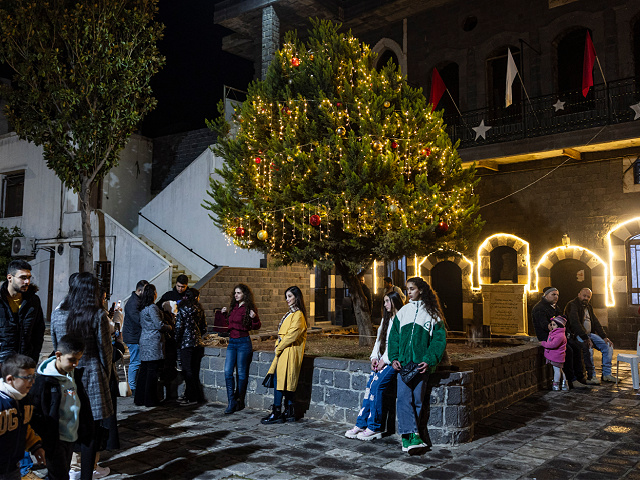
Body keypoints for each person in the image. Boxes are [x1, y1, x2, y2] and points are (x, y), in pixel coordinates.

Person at [50, 272, 113, 480]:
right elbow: (105, 350)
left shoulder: (58, 313)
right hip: (92, 375)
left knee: (67, 430)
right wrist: (107, 375)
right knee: (91, 432)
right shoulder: (98, 315)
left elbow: (55, 345)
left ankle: (63, 473)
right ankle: (86, 475)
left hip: (66, 376)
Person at [388, 276, 446, 453]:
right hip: (404, 365)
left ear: (420, 290)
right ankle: (411, 437)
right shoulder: (403, 312)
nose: (408, 292)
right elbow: (393, 337)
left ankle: (410, 438)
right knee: (404, 399)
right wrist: (394, 357)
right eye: (407, 289)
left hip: (421, 365)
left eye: (411, 289)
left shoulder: (433, 314)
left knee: (418, 400)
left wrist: (429, 360)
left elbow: (438, 340)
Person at [31, 335, 93, 480]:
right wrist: (44, 437)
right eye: (72, 359)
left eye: (78, 359)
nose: (76, 364)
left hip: (71, 435)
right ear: (58, 355)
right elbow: (36, 412)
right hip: (54, 438)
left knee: (62, 472)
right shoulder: (44, 380)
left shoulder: (73, 374)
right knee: (59, 475)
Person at [345, 290, 404, 441]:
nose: (385, 305)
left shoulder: (401, 319)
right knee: (370, 388)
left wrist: (385, 359)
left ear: (395, 301)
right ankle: (361, 423)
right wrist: (374, 358)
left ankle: (375, 426)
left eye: (387, 301)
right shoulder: (386, 320)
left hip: (392, 361)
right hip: (382, 361)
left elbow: (397, 344)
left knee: (377, 387)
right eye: (384, 302)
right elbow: (379, 341)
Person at [261, 286, 307, 425]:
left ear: (296, 297)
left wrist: (279, 346)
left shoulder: (298, 315)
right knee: (283, 382)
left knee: (280, 382)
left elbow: (292, 335)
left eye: (290, 296)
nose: (287, 299)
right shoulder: (291, 314)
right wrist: (278, 345)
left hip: (289, 352)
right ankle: (289, 411)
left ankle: (277, 412)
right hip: (284, 351)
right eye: (286, 297)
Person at [215, 284, 261, 414]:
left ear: (244, 294)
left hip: (243, 342)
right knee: (227, 371)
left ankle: (239, 400)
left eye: (239, 293)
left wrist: (254, 318)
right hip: (232, 342)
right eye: (235, 292)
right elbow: (228, 325)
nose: (236, 295)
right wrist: (224, 315)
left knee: (241, 373)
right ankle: (231, 401)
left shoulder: (249, 308)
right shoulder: (234, 307)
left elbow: (256, 326)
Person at [531, 286, 587, 389]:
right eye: (553, 294)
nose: (556, 297)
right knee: (568, 351)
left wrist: (567, 334)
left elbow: (563, 322)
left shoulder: (555, 307)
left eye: (557, 295)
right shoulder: (540, 308)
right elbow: (545, 325)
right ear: (546, 295)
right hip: (549, 337)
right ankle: (571, 379)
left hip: (559, 335)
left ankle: (579, 376)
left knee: (576, 347)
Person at [0, 353, 45, 480]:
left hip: (13, 466)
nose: (33, 381)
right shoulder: (1, 403)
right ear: (10, 379)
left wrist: (35, 446)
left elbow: (23, 427)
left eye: (33, 376)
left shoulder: (25, 399)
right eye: (27, 378)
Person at [564, 288, 616, 384]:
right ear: (579, 294)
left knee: (608, 346)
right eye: (584, 296)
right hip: (577, 335)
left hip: (589, 334)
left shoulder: (589, 307)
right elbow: (575, 323)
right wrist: (585, 338)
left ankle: (606, 374)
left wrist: (604, 336)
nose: (586, 298)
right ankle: (591, 376)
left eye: (588, 297)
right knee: (589, 348)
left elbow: (595, 322)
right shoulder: (572, 305)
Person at [0, 260, 45, 364]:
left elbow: (38, 333)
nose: (27, 282)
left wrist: (33, 359)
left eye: (29, 277)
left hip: (24, 363)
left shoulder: (33, 301)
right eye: (23, 277)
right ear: (10, 278)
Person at [135, 284, 172, 407]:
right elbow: (159, 325)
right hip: (153, 342)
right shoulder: (152, 308)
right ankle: (150, 400)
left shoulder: (142, 307)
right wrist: (170, 327)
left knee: (144, 371)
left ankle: (140, 398)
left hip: (144, 340)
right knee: (152, 372)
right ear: (153, 294)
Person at [175, 288, 208, 405]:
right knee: (194, 370)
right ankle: (196, 396)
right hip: (198, 343)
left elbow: (179, 327)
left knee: (187, 370)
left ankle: (191, 396)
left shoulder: (182, 310)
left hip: (186, 343)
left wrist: (176, 340)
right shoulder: (199, 309)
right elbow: (204, 327)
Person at [123, 280, 147, 396]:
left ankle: (134, 385)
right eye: (145, 290)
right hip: (133, 336)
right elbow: (138, 320)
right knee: (135, 362)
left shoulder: (136, 301)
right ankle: (132, 387)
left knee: (136, 361)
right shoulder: (133, 303)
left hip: (133, 335)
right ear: (139, 290)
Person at [540, 316, 568, 391]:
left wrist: (543, 343)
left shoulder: (559, 335)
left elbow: (553, 344)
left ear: (559, 326)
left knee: (557, 370)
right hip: (556, 356)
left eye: (554, 325)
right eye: (552, 324)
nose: (552, 326)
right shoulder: (555, 333)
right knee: (560, 370)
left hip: (557, 356)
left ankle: (556, 384)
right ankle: (564, 383)